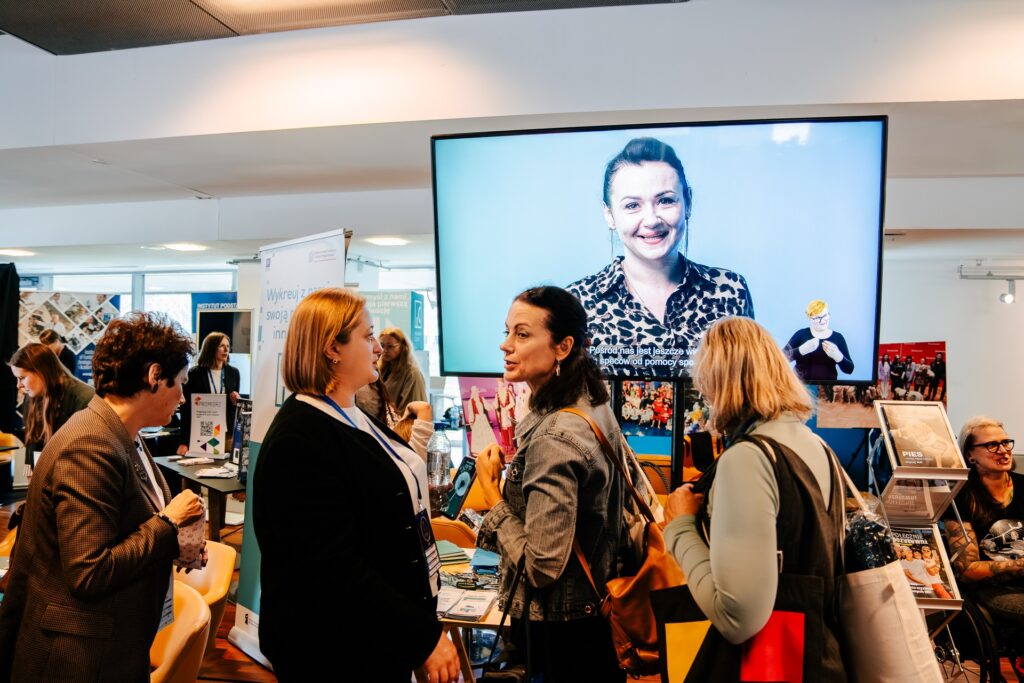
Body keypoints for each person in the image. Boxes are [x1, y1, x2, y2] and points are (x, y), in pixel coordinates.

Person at [251, 288, 457, 683]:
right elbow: (332, 567)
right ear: (333, 348)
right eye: (368, 336)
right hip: (334, 650)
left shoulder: (350, 414)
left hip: (371, 637)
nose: (378, 347)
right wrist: (421, 637)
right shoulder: (300, 438)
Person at [0, 313, 206, 682]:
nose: (183, 395)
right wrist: (168, 524)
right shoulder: (91, 445)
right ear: (154, 375)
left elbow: (122, 526)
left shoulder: (124, 433)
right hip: (79, 657)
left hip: (110, 644)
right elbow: (89, 572)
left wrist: (174, 542)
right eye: (180, 382)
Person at [663, 316, 845, 678]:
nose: (706, 396)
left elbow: (737, 618)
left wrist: (680, 527)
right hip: (816, 656)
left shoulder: (748, 458)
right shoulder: (816, 446)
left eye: (706, 384)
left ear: (719, 382)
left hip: (765, 667)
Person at [475, 286, 626, 683]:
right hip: (589, 624)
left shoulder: (555, 436)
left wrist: (492, 496)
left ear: (562, 347)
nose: (506, 345)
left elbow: (541, 567)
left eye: (522, 335)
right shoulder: (591, 405)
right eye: (507, 332)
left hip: (560, 636)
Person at [566, 137, 753, 377]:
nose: (652, 220)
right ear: (609, 215)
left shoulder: (730, 290)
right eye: (632, 205)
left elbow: (750, 391)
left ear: (688, 203)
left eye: (665, 200)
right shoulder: (577, 302)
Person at [944, 416, 1024, 626]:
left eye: (1005, 442)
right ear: (970, 455)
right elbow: (967, 570)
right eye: (992, 445)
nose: (1003, 450)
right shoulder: (961, 496)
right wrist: (1019, 566)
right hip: (995, 590)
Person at [8, 343, 94, 477]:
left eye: (22, 378)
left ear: (41, 371)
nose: (19, 385)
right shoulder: (32, 397)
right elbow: (32, 440)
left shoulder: (84, 399)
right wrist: (30, 474)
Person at [176, 332, 241, 455]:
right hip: (201, 434)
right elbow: (186, 409)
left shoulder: (234, 373)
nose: (226, 349)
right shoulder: (193, 374)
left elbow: (235, 407)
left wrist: (237, 401)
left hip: (226, 434)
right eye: (222, 346)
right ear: (211, 348)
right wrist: (183, 441)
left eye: (228, 346)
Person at [783, 299, 854, 382]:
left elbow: (849, 369)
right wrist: (801, 350)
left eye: (825, 315)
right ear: (809, 318)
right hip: (801, 387)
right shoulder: (801, 334)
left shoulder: (838, 337)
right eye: (817, 318)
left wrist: (838, 356)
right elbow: (781, 358)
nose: (823, 320)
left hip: (827, 388)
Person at [377, 327, 427, 415]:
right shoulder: (382, 370)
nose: (384, 350)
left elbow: (412, 412)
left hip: (401, 426)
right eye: (382, 346)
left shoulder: (412, 374)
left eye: (390, 346)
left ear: (402, 347)